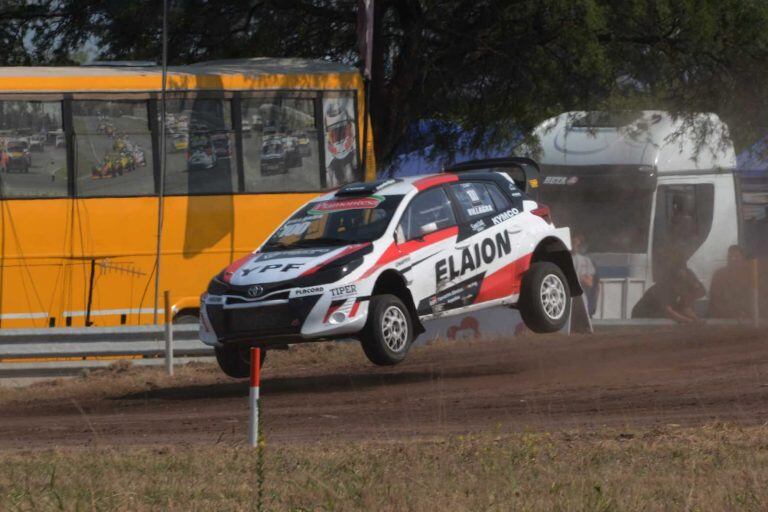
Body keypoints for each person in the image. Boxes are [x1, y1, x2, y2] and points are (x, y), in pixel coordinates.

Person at [632, 256, 706, 323]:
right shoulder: (664, 287)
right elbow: (668, 312)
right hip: (642, 315)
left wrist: (696, 320)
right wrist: (688, 321)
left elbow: (686, 308)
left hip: (658, 314)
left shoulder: (686, 280)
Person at [709, 245, 752, 318]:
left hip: (749, 317)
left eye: (736, 256)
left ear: (743, 258)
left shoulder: (751, 275)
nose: (733, 259)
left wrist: (745, 312)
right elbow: (715, 299)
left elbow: (754, 298)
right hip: (723, 318)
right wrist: (731, 313)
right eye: (730, 256)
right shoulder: (719, 275)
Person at [572, 233, 597, 316]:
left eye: (578, 243)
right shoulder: (563, 260)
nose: (575, 245)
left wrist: (578, 279)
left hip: (581, 298)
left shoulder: (586, 260)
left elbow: (590, 283)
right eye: (573, 243)